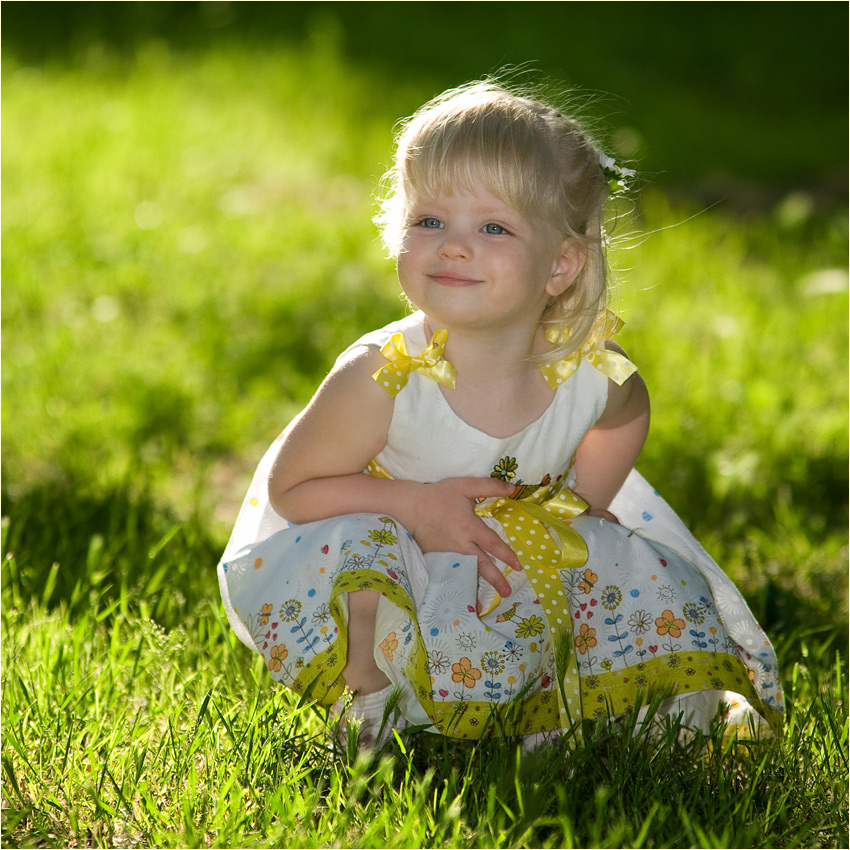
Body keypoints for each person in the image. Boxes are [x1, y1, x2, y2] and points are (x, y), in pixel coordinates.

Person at [217, 79, 783, 751]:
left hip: (512, 549)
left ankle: (542, 712)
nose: (453, 246)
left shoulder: (590, 369)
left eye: (493, 228)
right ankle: (369, 704)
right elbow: (293, 488)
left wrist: (586, 500)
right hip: (403, 545)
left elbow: (627, 416)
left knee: (642, 584)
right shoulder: (387, 375)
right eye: (430, 221)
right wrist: (415, 506)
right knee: (362, 566)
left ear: (560, 266)